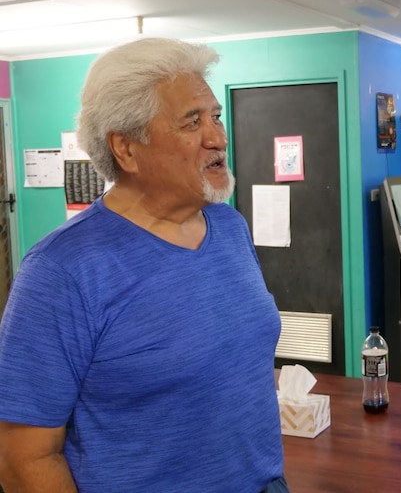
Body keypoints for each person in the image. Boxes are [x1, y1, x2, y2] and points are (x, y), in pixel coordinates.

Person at [0, 38, 289, 493]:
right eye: (191, 122)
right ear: (126, 149)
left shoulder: (228, 227)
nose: (217, 137)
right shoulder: (62, 272)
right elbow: (24, 459)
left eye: (214, 116)